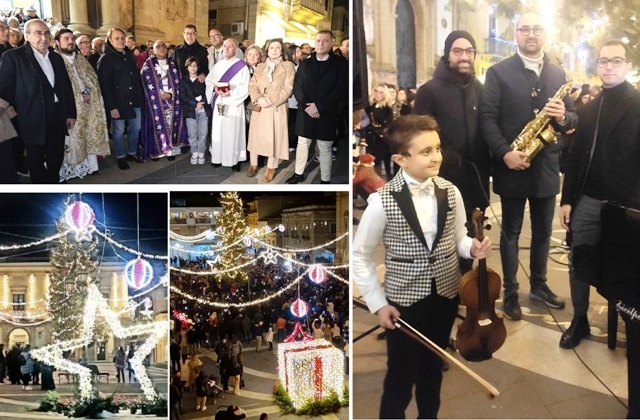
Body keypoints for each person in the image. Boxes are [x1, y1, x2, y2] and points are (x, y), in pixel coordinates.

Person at [352, 114, 491, 418]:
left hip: (444, 297)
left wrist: (473, 247)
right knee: (399, 378)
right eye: (426, 151)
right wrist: (378, 305)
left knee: (432, 373)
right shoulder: (382, 201)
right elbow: (360, 255)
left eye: (437, 148)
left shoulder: (450, 191)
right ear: (400, 159)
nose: (436, 157)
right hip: (404, 304)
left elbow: (459, 238)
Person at [479, 12, 577, 320]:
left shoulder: (559, 74)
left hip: (546, 167)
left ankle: (539, 285)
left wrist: (562, 116)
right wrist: (505, 152)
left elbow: (573, 119)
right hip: (512, 164)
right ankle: (510, 291)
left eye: (536, 28)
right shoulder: (497, 72)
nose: (530, 34)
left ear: (544, 33)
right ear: (516, 34)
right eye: (524, 29)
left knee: (543, 234)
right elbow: (487, 119)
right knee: (509, 232)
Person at [559, 40, 640, 353]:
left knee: (625, 265)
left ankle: (629, 319)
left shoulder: (637, 102)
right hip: (589, 200)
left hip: (627, 204)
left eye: (616, 60)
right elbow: (576, 158)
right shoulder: (590, 107)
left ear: (628, 66)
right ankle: (579, 319)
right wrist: (567, 200)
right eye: (604, 61)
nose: (609, 66)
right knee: (578, 258)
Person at [414, 30, 491, 274]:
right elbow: (421, 136)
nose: (464, 56)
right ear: (447, 54)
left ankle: (463, 287)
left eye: (469, 51)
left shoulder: (479, 88)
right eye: (457, 51)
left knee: (470, 239)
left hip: (474, 180)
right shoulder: (429, 90)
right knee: (441, 238)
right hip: (443, 179)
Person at [0, 19, 76, 184]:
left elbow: (66, 87)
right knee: (35, 160)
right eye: (38, 33)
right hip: (31, 119)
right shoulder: (13, 57)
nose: (44, 37)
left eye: (47, 33)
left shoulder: (56, 58)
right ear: (27, 36)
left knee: (56, 156)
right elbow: (4, 89)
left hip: (57, 116)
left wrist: (71, 113)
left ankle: (54, 183)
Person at [286, 30, 348, 184]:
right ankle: (298, 173)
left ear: (332, 43)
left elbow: (340, 89)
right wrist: (308, 107)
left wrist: (319, 107)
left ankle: (325, 179)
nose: (321, 43)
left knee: (325, 148)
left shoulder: (340, 64)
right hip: (305, 111)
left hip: (326, 112)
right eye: (318, 40)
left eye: (325, 41)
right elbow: (298, 87)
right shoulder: (305, 64)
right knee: (302, 144)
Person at [53, 29, 110, 181]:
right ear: (57, 42)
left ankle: (89, 167)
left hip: (88, 106)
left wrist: (90, 92)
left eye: (72, 38)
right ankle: (69, 169)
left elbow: (92, 79)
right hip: (68, 108)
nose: (70, 41)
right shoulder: (54, 60)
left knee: (87, 135)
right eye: (66, 38)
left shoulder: (80, 59)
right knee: (70, 140)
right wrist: (79, 97)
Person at [247, 38, 295, 182]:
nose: (274, 50)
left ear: (282, 50)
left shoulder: (288, 66)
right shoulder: (260, 66)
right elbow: (252, 85)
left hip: (276, 107)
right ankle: (253, 164)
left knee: (274, 138)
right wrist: (259, 98)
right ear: (267, 50)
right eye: (272, 47)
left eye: (277, 48)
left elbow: (288, 88)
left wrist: (272, 100)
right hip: (260, 106)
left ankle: (271, 167)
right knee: (256, 137)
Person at [97, 27, 144, 170]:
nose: (120, 41)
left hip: (134, 99)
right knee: (118, 130)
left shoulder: (130, 56)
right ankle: (120, 157)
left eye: (122, 38)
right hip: (118, 102)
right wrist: (112, 107)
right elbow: (105, 85)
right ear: (110, 41)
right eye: (117, 38)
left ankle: (131, 152)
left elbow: (136, 79)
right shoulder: (106, 59)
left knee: (136, 127)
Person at [205, 37, 250, 171]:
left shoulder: (242, 66)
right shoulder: (218, 65)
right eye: (225, 46)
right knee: (218, 131)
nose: (227, 48)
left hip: (234, 104)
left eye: (230, 46)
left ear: (236, 49)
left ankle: (234, 160)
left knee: (233, 131)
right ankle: (217, 157)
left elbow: (246, 87)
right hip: (220, 102)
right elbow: (209, 81)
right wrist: (214, 89)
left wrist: (231, 93)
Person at [140, 39, 188, 161]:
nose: (162, 48)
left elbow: (178, 83)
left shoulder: (172, 65)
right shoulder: (148, 65)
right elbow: (146, 83)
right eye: (158, 46)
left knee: (170, 125)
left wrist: (170, 95)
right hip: (155, 102)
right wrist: (159, 95)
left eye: (163, 46)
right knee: (155, 126)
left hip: (171, 102)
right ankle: (156, 150)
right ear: (154, 50)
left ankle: (170, 151)